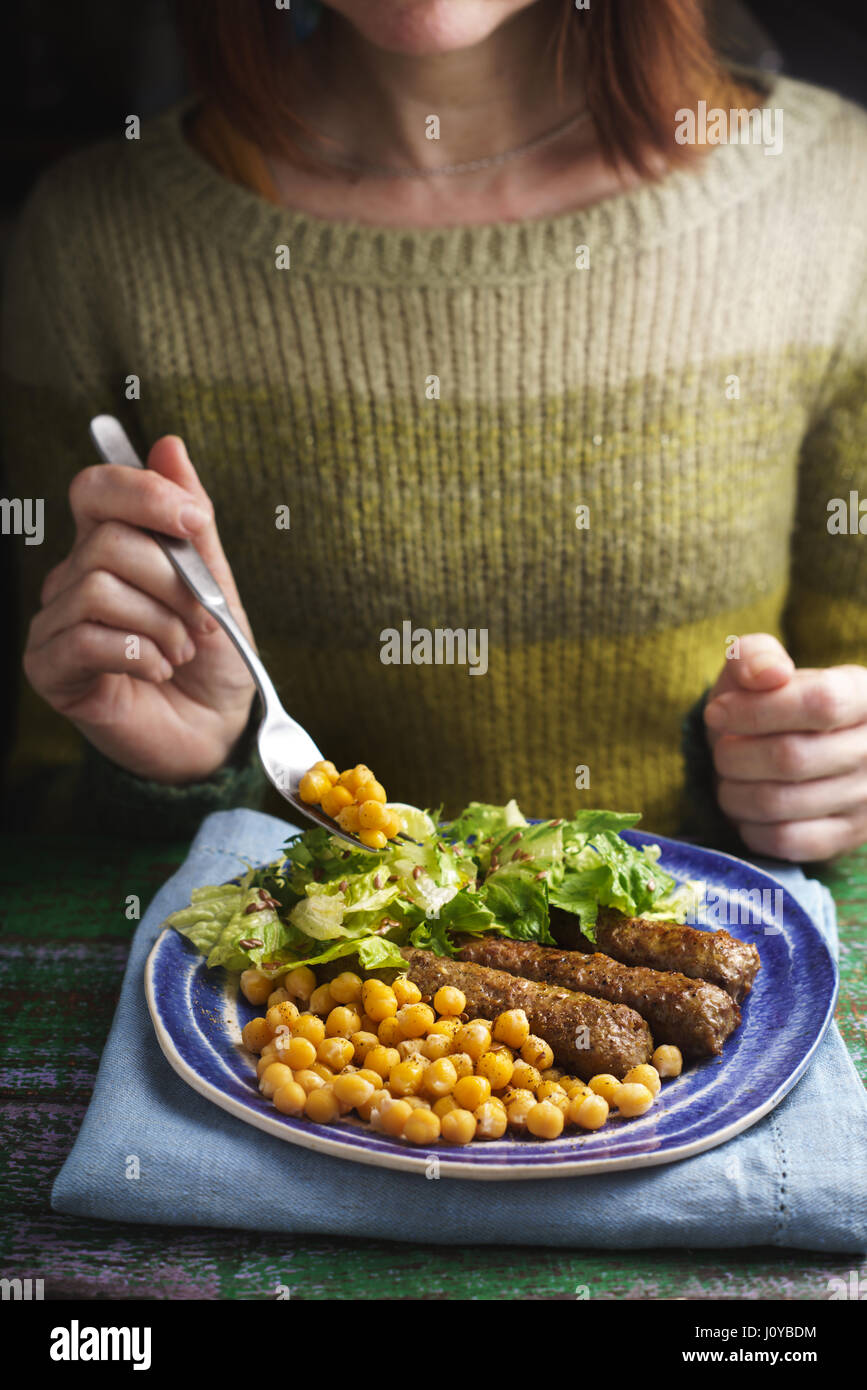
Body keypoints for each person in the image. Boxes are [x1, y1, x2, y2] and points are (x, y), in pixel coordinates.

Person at [3, 0, 866, 858]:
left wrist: (821, 776)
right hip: (287, 992)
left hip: (734, 969)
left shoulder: (833, 192)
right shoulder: (90, 245)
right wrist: (177, 779)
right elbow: (47, 814)